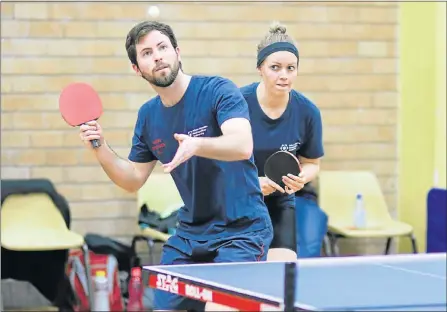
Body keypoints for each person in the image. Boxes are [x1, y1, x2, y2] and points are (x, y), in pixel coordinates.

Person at [79, 21, 273, 311]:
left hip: (242, 231)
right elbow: (132, 179)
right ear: (137, 68)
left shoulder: (218, 90)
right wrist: (100, 148)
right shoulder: (148, 116)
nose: (157, 56)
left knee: (220, 307)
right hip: (191, 234)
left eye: (162, 47)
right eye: (146, 53)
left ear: (177, 52)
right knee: (162, 306)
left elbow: (241, 144)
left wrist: (199, 144)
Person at [240, 22, 327, 261]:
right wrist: (252, 183)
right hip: (238, 200)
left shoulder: (308, 112)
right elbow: (215, 163)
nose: (284, 75)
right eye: (275, 67)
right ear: (260, 67)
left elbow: (312, 164)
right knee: (239, 278)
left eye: (291, 68)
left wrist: (301, 178)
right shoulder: (236, 104)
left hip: (280, 202)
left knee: (282, 275)